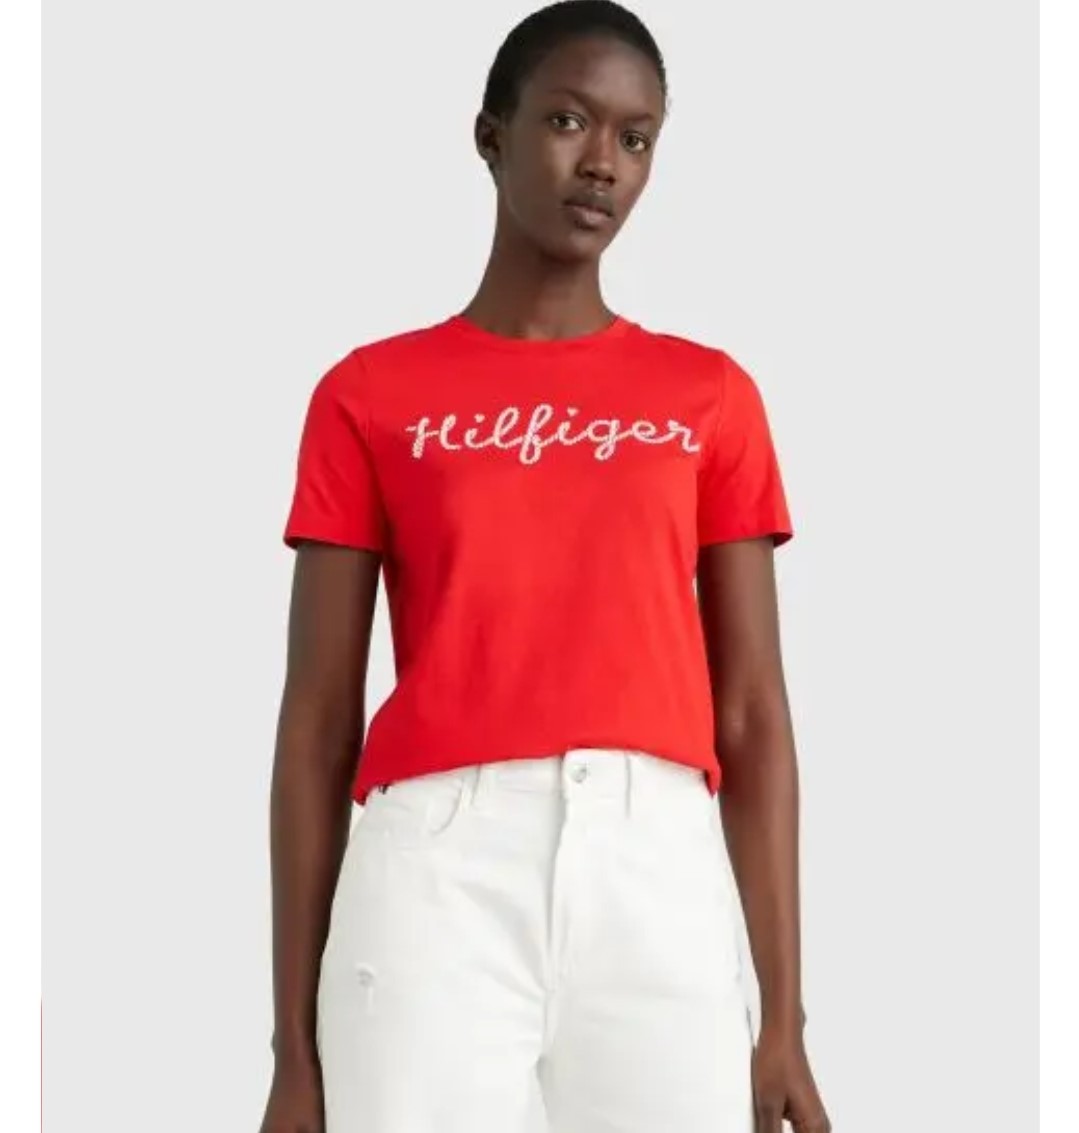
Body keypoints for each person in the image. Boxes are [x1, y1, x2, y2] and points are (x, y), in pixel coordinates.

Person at [258, 2, 830, 1131]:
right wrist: (293, 1047)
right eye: (568, 121)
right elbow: (318, 718)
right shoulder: (369, 395)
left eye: (635, 136)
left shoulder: (708, 396)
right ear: (491, 136)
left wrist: (783, 1018)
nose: (602, 162)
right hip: (434, 871)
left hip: (657, 864)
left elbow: (752, 710)